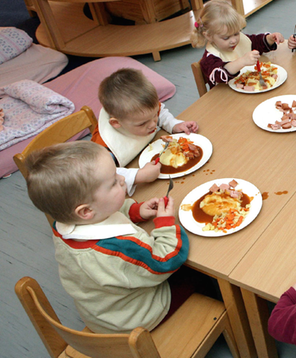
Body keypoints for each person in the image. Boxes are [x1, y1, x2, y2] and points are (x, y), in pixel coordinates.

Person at [24, 141, 188, 333]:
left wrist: (135, 210)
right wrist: (166, 223)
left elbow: (104, 214)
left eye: (117, 172)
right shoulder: (118, 248)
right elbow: (164, 261)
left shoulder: (64, 225)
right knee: (202, 275)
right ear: (85, 210)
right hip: (137, 320)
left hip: (103, 315)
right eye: (112, 183)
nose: (122, 180)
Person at [91, 68, 198, 195]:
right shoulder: (105, 145)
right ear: (116, 123)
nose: (153, 124)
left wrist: (174, 125)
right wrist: (138, 175)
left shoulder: (142, 113)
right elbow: (100, 175)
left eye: (154, 116)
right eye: (142, 123)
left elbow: (161, 112)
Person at [192, 0, 285, 88]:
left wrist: (270, 38)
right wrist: (242, 61)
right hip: (227, 100)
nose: (234, 40)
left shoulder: (238, 41)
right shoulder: (209, 59)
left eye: (236, 33)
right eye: (226, 37)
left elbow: (256, 42)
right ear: (209, 36)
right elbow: (219, 75)